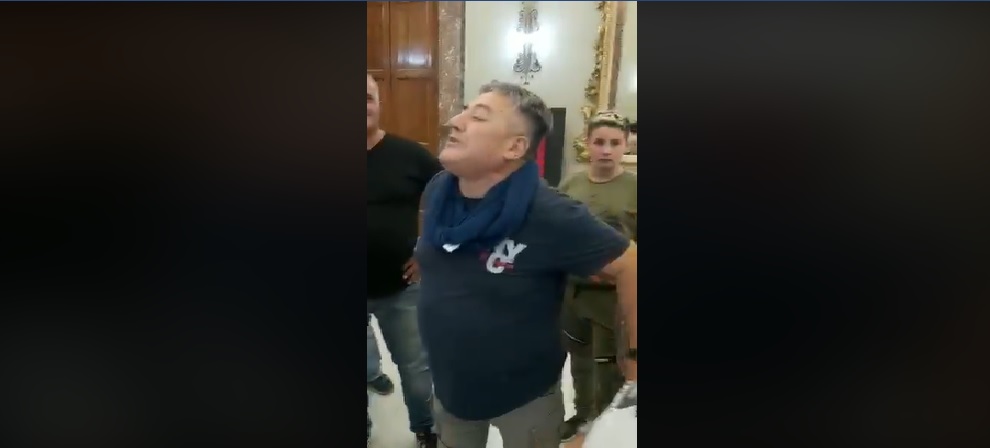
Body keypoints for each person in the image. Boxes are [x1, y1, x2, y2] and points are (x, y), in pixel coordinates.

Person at [415, 81, 639, 448]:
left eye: (478, 117)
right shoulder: (439, 189)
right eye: (463, 112)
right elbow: (433, 241)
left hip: (525, 395)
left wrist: (633, 362)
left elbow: (632, 263)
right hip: (451, 386)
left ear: (514, 147)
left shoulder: (549, 212)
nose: (455, 122)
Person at [366, 74, 441, 448]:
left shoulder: (410, 154)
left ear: (379, 104)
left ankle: (425, 428)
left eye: (367, 97)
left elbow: (452, 196)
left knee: (415, 368)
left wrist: (429, 247)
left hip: (401, 286)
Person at [557, 111, 638, 441]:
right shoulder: (571, 184)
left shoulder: (634, 187)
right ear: (587, 143)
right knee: (579, 362)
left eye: (615, 143)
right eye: (599, 142)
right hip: (573, 293)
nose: (606, 150)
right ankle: (581, 415)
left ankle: (604, 429)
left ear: (625, 146)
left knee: (609, 368)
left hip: (612, 297)